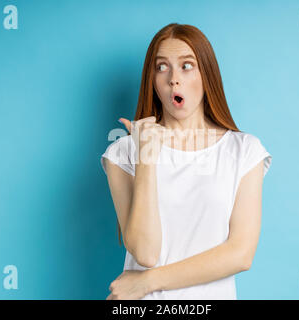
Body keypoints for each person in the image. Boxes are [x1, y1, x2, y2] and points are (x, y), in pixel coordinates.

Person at [100, 23, 272, 300]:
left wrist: (147, 283)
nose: (173, 79)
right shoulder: (122, 152)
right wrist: (146, 155)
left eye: (187, 66)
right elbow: (145, 252)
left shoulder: (244, 151)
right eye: (162, 67)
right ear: (152, 80)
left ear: (207, 75)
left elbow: (241, 254)